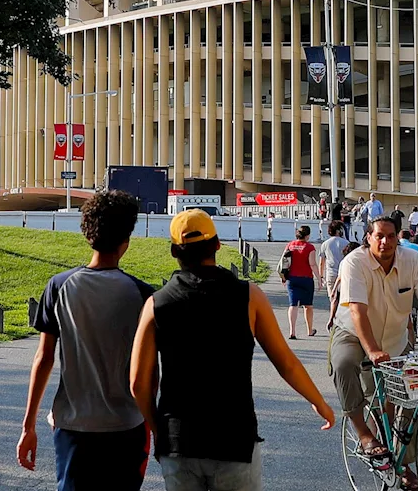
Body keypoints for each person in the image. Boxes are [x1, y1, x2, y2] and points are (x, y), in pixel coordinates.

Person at [130, 210, 335, 491]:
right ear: (217, 244)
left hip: (179, 443)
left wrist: (159, 431)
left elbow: (138, 384)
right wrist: (319, 402)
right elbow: (285, 362)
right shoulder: (249, 296)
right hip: (235, 441)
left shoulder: (157, 304)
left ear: (174, 251)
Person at [18, 190, 153, 491]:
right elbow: (149, 372)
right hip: (127, 425)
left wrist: (28, 426)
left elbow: (44, 358)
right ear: (126, 241)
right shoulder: (143, 294)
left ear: (87, 234)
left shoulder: (59, 286)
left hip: (73, 426)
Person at [330, 216, 418, 491]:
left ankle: (402, 465)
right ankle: (364, 434)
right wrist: (372, 350)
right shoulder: (355, 262)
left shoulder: (412, 261)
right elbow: (357, 311)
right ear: (368, 238)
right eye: (379, 236)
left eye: (391, 236)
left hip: (395, 339)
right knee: (343, 365)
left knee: (405, 398)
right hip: (354, 333)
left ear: (398, 239)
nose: (385, 241)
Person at [283, 226, 321, 339]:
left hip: (292, 278)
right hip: (306, 279)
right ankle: (309, 330)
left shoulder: (290, 245)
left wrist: (283, 276)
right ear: (307, 235)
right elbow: (312, 264)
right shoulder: (310, 247)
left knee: (293, 305)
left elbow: (285, 261)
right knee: (308, 306)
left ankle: (292, 331)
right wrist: (319, 278)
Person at [318, 221, 350, 301]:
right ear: (339, 231)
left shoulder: (325, 244)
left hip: (331, 273)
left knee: (332, 298)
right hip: (344, 273)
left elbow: (321, 263)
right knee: (343, 298)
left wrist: (321, 276)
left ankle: (333, 312)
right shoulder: (346, 243)